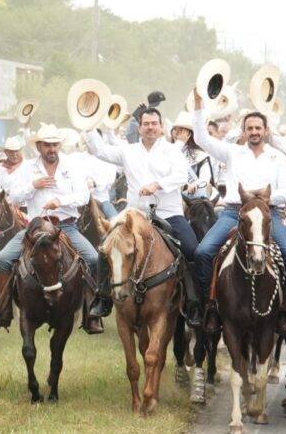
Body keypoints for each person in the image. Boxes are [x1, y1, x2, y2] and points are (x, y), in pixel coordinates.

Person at [85, 107, 202, 329]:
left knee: (191, 249)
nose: (150, 127)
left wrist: (157, 185)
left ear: (161, 127)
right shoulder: (127, 151)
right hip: (135, 213)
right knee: (106, 246)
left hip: (168, 212)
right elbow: (99, 150)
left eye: (154, 124)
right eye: (146, 124)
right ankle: (103, 297)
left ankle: (195, 303)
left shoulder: (172, 151)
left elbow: (180, 176)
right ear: (139, 128)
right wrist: (89, 124)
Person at [191, 91, 286, 333]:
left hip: (269, 215)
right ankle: (210, 305)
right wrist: (198, 105)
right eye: (250, 128)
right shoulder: (232, 152)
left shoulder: (278, 157)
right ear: (244, 131)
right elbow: (201, 138)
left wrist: (262, 198)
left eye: (258, 128)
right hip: (233, 213)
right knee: (203, 252)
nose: (254, 132)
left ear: (266, 130)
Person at [0, 124, 98, 332]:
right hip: (35, 229)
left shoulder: (72, 165)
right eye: (47, 145)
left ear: (59, 146)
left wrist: (60, 201)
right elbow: (13, 197)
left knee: (93, 258)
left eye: (55, 144)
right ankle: (2, 312)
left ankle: (91, 313)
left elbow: (83, 196)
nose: (52, 149)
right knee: (2, 260)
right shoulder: (27, 168)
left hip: (65, 227)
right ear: (39, 146)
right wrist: (33, 186)